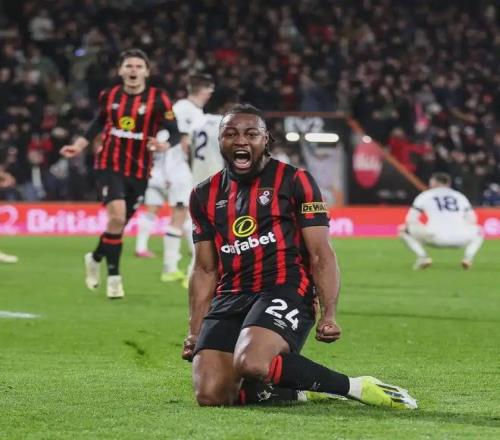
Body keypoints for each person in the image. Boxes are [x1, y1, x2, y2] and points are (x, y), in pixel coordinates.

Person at [182, 104, 417, 409]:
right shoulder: (203, 195)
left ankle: (355, 387)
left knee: (252, 362)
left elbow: (321, 254)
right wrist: (194, 331)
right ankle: (295, 390)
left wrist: (329, 315)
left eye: (251, 134)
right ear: (220, 140)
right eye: (231, 134)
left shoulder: (294, 180)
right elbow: (204, 269)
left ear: (266, 140)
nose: (240, 140)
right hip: (232, 294)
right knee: (212, 395)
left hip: (285, 288)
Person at [60, 49, 180, 299]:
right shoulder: (110, 95)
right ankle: (114, 278)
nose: (133, 70)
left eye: (138, 66)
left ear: (146, 72)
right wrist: (78, 146)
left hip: (139, 170)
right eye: (129, 66)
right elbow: (97, 123)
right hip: (109, 165)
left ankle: (95, 257)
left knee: (119, 224)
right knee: (116, 217)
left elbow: (175, 131)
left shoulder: (159, 99)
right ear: (121, 70)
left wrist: (165, 144)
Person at [135, 74, 215, 287]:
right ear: (203, 90)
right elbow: (180, 142)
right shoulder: (185, 109)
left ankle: (182, 261)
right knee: (182, 216)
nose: (210, 94)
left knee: (187, 215)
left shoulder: (189, 110)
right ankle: (172, 268)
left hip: (173, 171)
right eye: (209, 90)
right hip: (176, 171)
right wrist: (169, 173)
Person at [399, 172, 484, 270]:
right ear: (448, 183)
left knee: (403, 230)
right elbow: (472, 219)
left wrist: (422, 226)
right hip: (460, 238)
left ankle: (423, 257)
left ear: (434, 183)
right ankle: (468, 258)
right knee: (479, 230)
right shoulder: (459, 196)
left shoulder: (425, 195)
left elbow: (410, 219)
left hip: (434, 237)